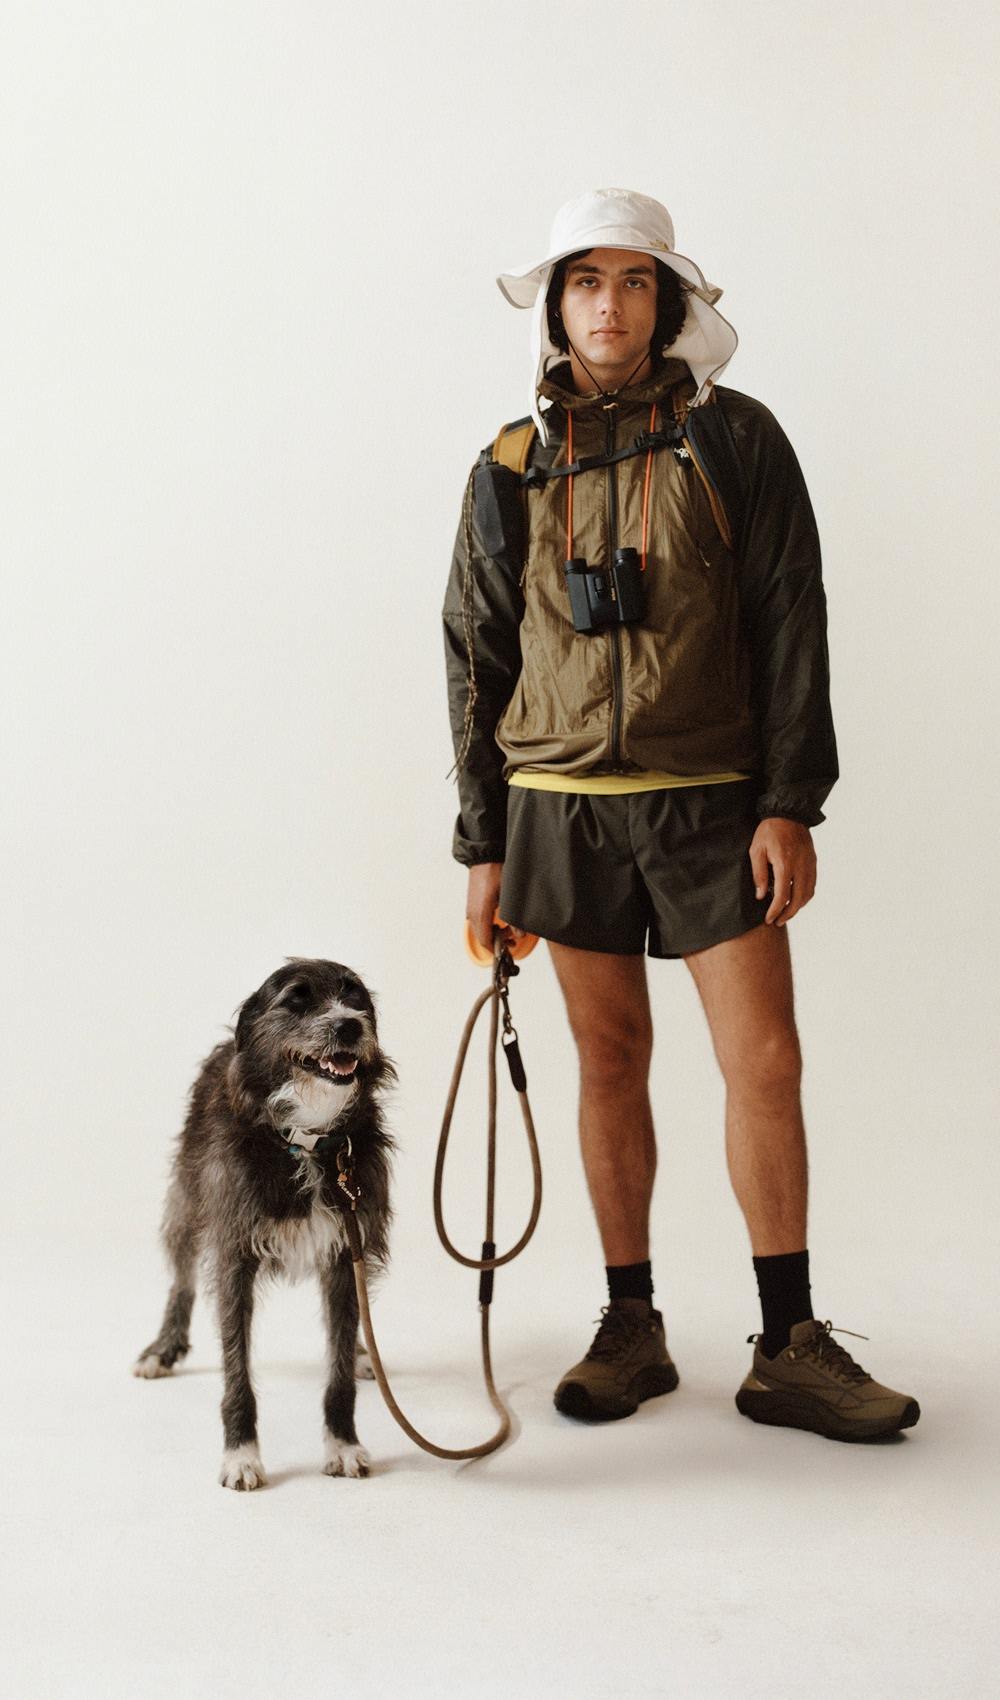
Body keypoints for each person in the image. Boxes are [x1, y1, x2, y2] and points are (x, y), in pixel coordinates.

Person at [442, 188, 919, 1442]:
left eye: (634, 280)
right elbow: (477, 654)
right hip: (556, 803)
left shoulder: (736, 438)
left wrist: (788, 800)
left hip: (711, 799)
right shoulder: (507, 465)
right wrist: (481, 844)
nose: (609, 301)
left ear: (670, 301)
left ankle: (790, 1338)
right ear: (556, 303)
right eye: (585, 279)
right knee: (609, 1060)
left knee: (763, 1057)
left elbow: (788, 618)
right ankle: (629, 1320)